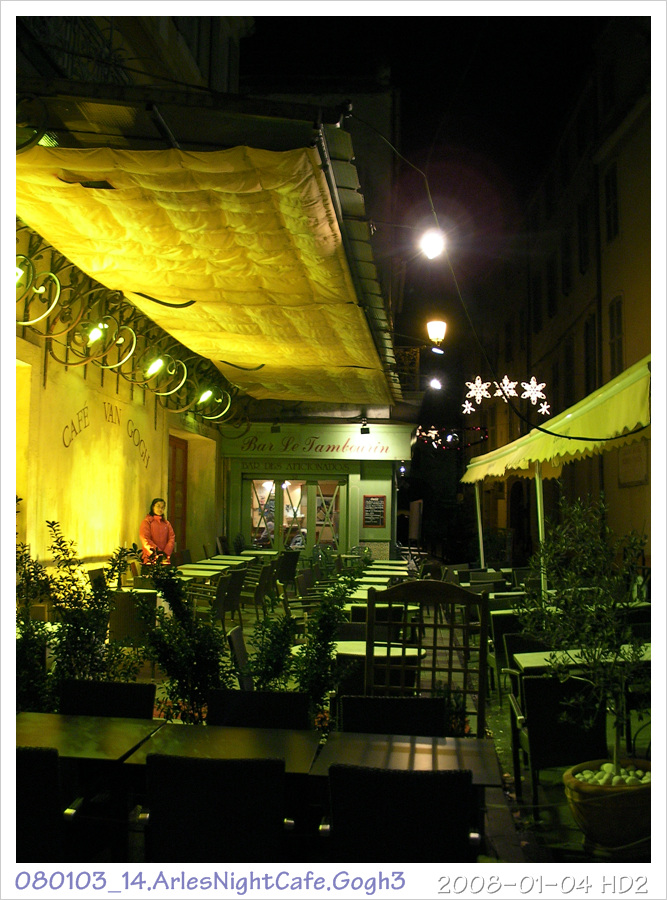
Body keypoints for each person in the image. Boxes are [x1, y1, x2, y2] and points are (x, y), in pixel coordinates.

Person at [140, 498, 176, 565]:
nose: (160, 509)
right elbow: (145, 539)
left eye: (162, 507)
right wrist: (157, 552)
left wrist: (166, 552)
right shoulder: (147, 522)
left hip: (165, 558)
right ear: (153, 507)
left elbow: (171, 538)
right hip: (151, 558)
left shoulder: (166, 523)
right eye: (158, 506)